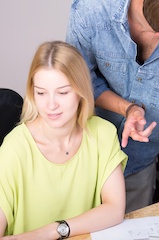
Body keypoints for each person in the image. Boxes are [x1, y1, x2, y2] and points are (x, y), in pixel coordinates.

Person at [66, 0, 159, 238]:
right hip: (80, 156)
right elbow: (79, 78)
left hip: (140, 160)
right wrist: (127, 108)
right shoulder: (92, 10)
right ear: (157, 34)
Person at [0, 41, 128, 239]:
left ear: (81, 91)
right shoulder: (14, 148)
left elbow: (114, 209)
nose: (51, 105)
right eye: (41, 93)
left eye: (63, 92)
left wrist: (54, 230)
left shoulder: (103, 134)